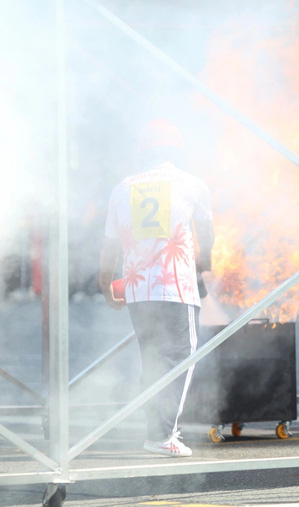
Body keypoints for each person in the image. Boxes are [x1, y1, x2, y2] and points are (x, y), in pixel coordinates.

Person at [99, 118, 215, 457]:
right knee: (180, 358)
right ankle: (162, 435)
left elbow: (110, 246)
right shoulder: (191, 183)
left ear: (142, 151)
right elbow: (207, 234)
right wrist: (203, 268)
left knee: (152, 359)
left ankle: (158, 430)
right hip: (176, 288)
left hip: (138, 291)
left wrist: (106, 285)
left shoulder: (122, 188)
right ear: (176, 149)